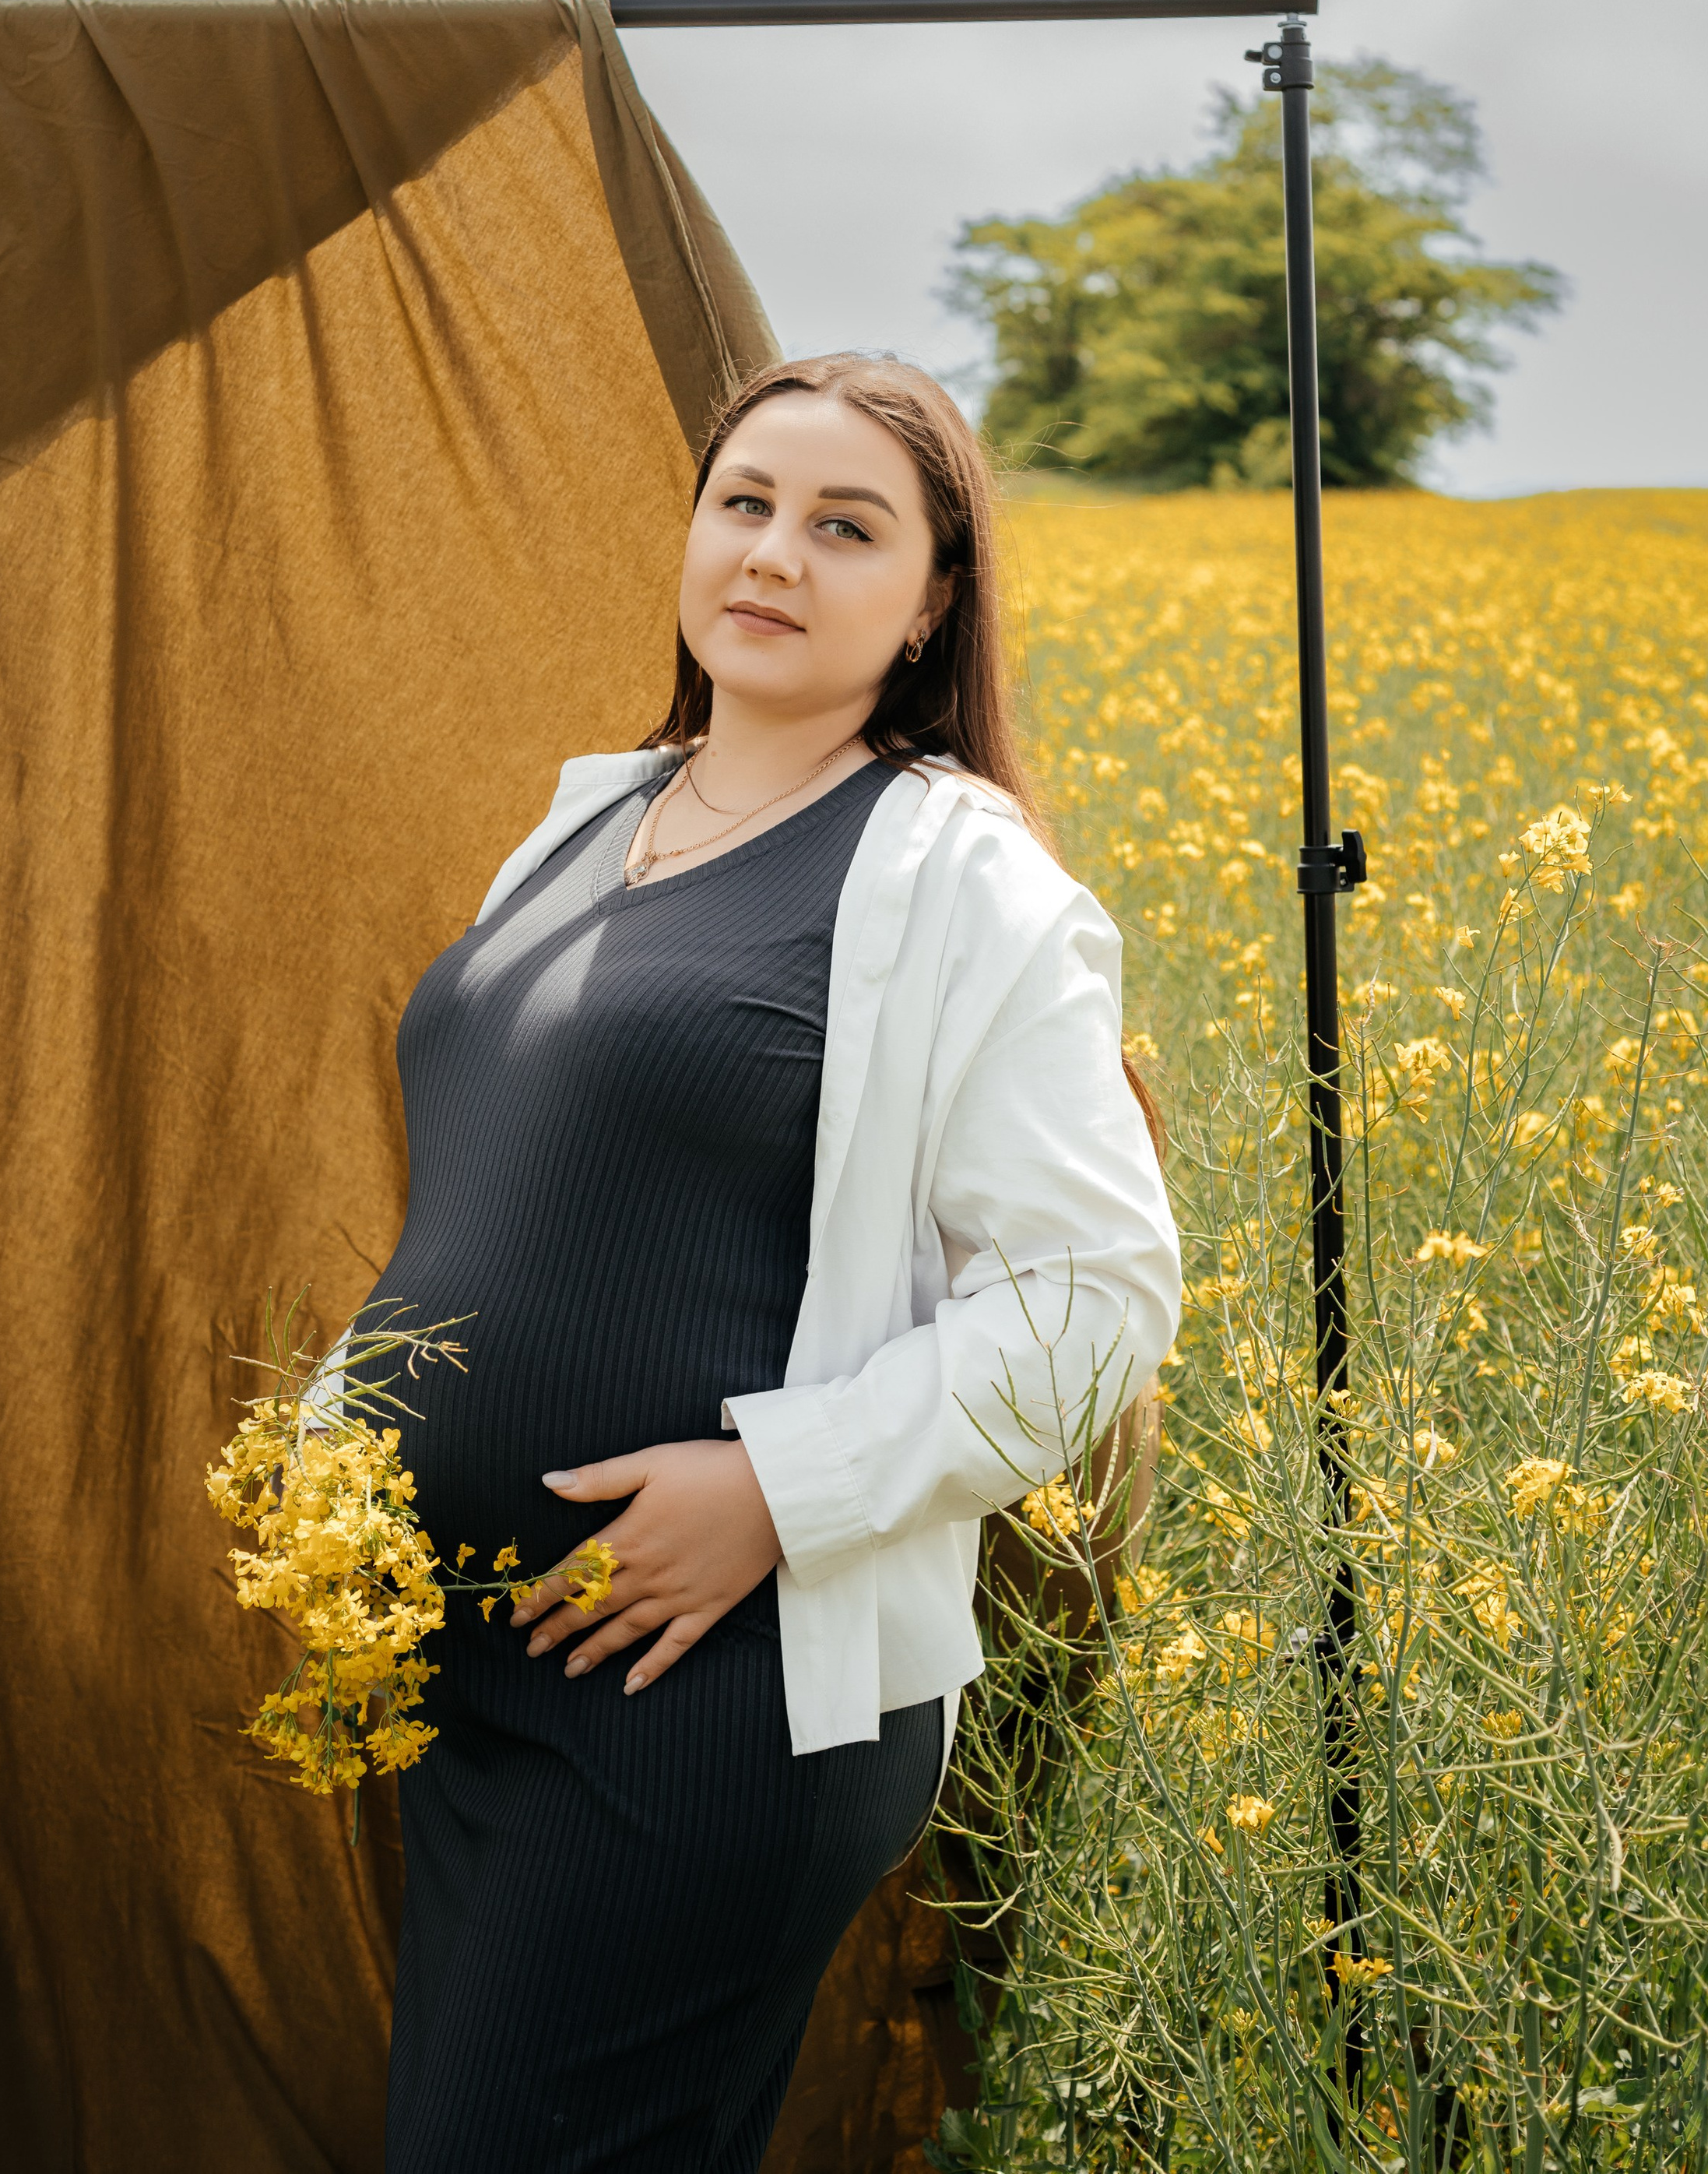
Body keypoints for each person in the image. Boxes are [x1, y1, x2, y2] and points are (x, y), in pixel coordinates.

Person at [356, 350, 1181, 2174]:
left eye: (845, 527)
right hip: (488, 1670)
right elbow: (516, 1187)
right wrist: (351, 1433)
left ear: (932, 600)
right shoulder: (590, 820)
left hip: (708, 1692)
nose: (774, 554)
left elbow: (1093, 1297)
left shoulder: (961, 881)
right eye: (744, 503)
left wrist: (775, 1492)